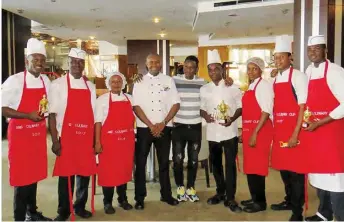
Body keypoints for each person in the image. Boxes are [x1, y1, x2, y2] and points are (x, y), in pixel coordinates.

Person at [2, 38, 52, 221]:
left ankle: (32, 212)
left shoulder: (46, 80)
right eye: (35, 59)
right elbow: (2, 108)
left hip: (38, 137)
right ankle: (19, 217)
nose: (39, 63)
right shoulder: (14, 81)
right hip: (21, 137)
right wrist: (26, 115)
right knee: (21, 180)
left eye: (42, 60)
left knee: (34, 176)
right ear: (27, 61)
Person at [49, 48, 97, 221]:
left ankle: (80, 206)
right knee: (66, 176)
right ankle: (63, 210)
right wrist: (55, 141)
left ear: (84, 65)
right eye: (74, 62)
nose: (77, 65)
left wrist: (94, 140)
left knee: (84, 174)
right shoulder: (58, 85)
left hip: (85, 137)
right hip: (66, 138)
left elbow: (93, 115)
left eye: (80, 62)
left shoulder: (90, 86)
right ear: (67, 64)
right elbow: (52, 116)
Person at [302, 35, 344, 222]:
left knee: (335, 179)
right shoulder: (309, 71)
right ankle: (324, 213)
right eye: (310, 49)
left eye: (317, 49)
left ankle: (340, 216)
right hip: (314, 134)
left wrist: (319, 122)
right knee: (319, 176)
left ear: (325, 50)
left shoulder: (336, 71)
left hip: (332, 133)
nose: (313, 52)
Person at [132, 53, 181, 210]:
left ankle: (166, 194)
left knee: (164, 163)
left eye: (157, 62)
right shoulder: (139, 81)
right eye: (151, 62)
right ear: (146, 65)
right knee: (140, 164)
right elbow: (136, 106)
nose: (154, 64)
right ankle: (139, 198)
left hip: (164, 128)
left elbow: (175, 104)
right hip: (144, 128)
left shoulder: (168, 80)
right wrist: (151, 125)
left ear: (161, 64)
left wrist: (163, 123)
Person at [270, 35, 309, 221]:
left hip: (295, 133)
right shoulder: (276, 79)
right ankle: (289, 200)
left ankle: (297, 212)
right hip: (280, 132)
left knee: (296, 173)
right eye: (275, 57)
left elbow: (303, 106)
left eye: (281, 56)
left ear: (290, 57)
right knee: (284, 171)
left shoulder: (299, 76)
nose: (278, 60)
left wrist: (295, 134)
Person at [200, 49, 243, 213]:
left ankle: (230, 197)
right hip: (212, 132)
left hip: (229, 132)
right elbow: (201, 108)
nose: (213, 72)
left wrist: (232, 119)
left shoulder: (233, 87)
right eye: (210, 69)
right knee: (216, 165)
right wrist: (205, 116)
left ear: (222, 70)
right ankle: (220, 192)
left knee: (230, 165)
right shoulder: (205, 89)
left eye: (216, 69)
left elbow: (240, 107)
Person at [94, 72, 134, 214]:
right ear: (108, 84)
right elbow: (98, 122)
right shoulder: (102, 100)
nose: (116, 84)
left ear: (123, 83)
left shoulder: (130, 99)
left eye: (119, 81)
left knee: (123, 171)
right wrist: (97, 142)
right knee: (108, 173)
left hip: (126, 142)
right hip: (109, 143)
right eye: (113, 81)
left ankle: (123, 199)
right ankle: (107, 202)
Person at [241, 57, 274, 213]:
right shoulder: (251, 86)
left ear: (261, 70)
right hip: (250, 131)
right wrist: (245, 132)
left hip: (260, 132)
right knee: (250, 167)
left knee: (258, 167)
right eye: (249, 68)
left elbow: (266, 111)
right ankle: (254, 197)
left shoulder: (264, 86)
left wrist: (254, 133)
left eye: (255, 69)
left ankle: (260, 203)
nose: (251, 71)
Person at [172, 56, 206, 202]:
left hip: (195, 126)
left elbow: (214, 92)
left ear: (196, 69)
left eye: (192, 67)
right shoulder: (174, 81)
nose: (188, 70)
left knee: (193, 160)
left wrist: (228, 82)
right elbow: (158, 86)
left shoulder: (202, 82)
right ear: (183, 67)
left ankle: (191, 188)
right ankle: (180, 187)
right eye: (186, 66)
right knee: (178, 159)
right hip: (179, 126)